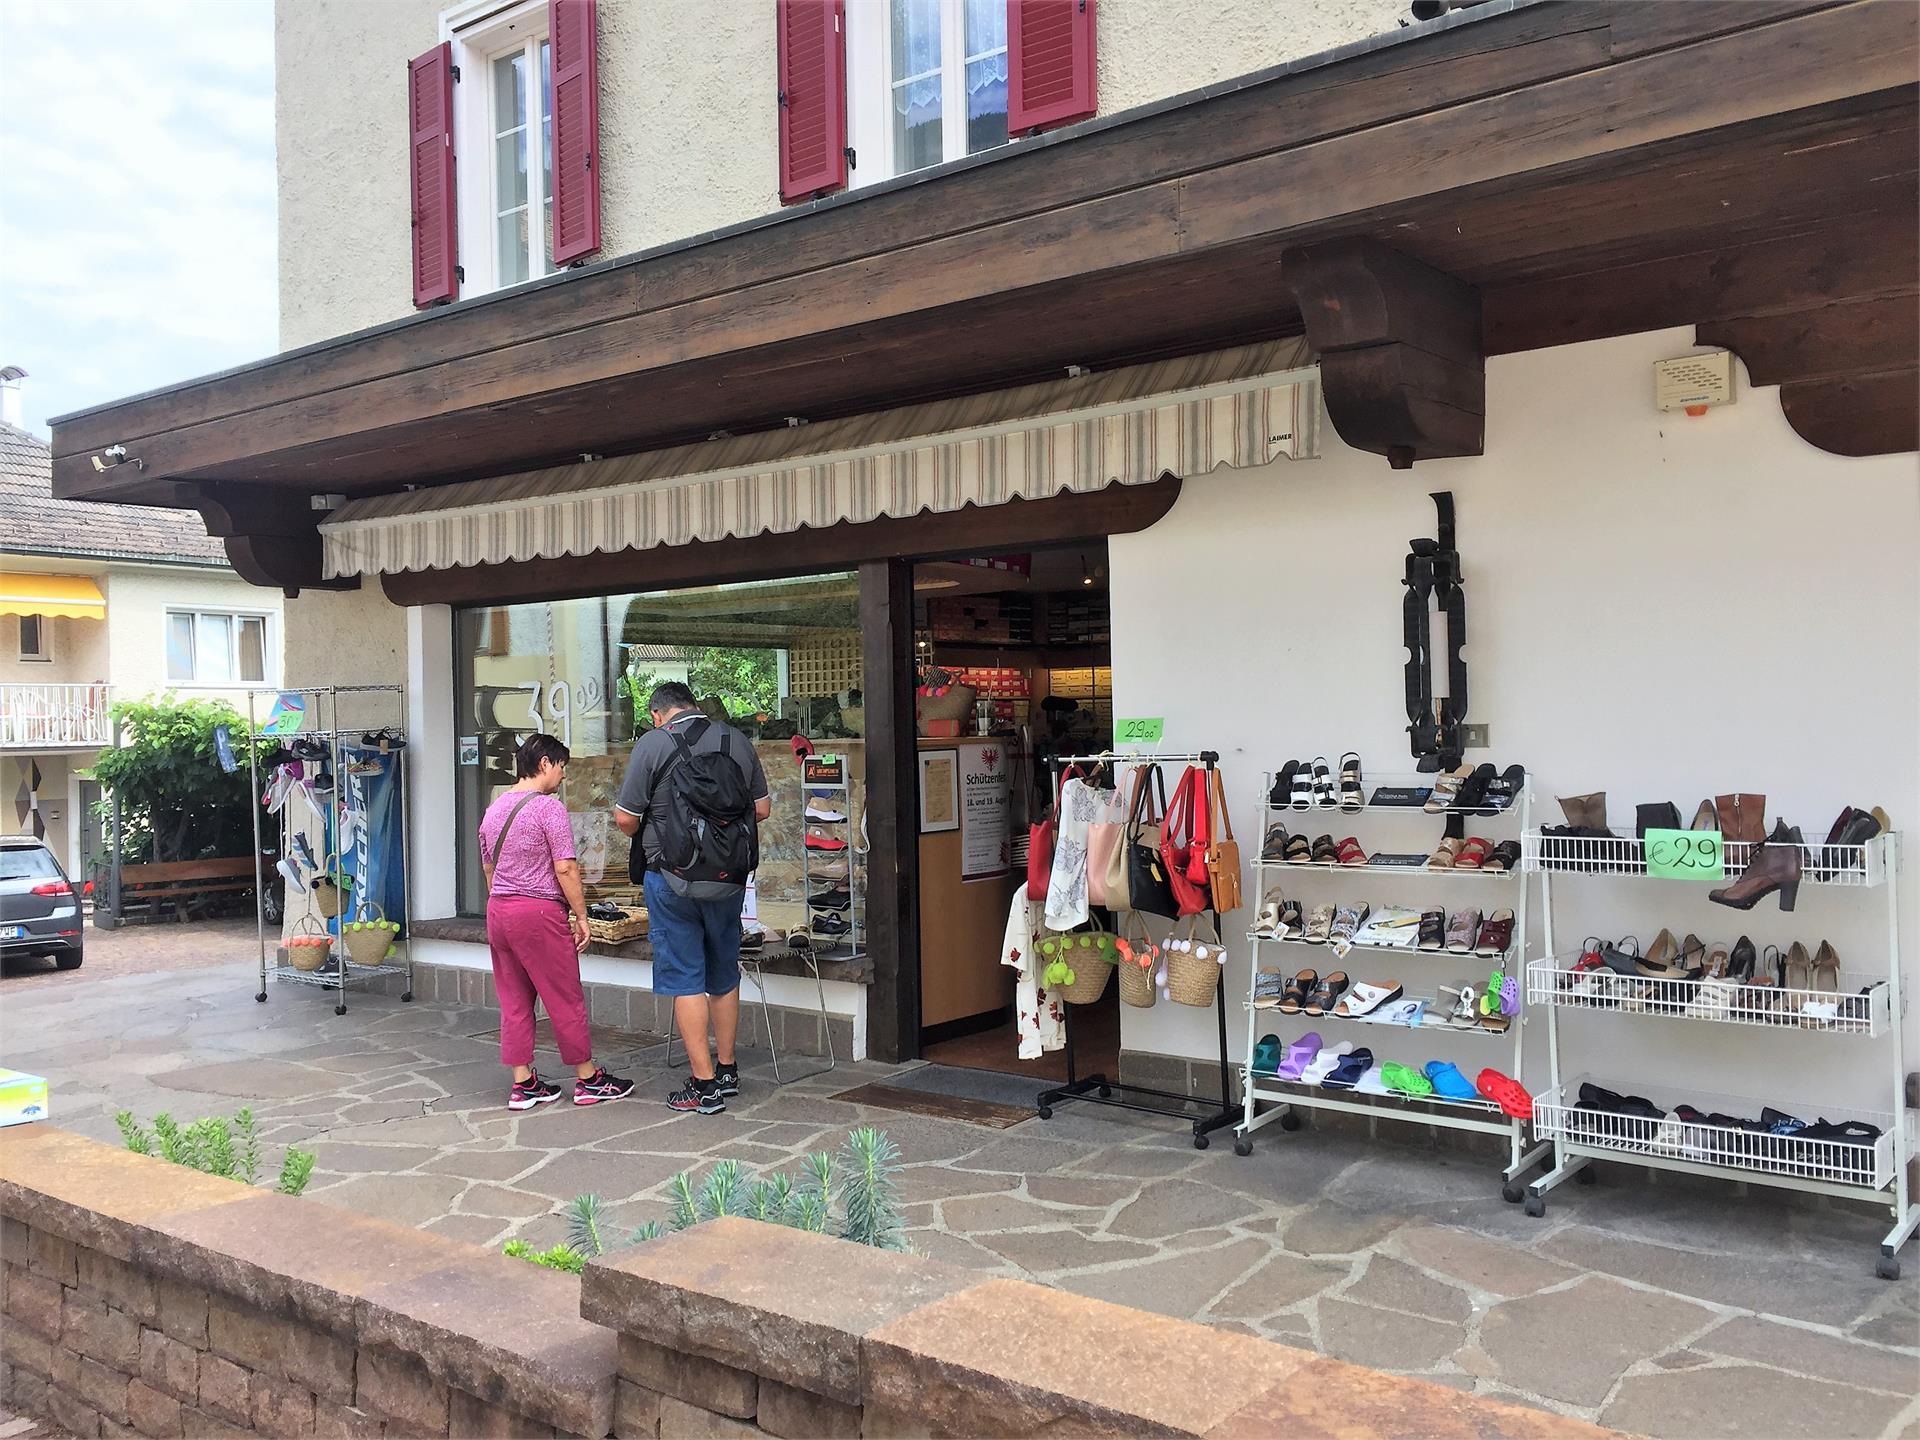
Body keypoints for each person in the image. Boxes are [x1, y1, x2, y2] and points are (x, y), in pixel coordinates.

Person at [615, 682, 770, 1113]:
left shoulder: (653, 744)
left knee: (685, 977)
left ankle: (704, 1086)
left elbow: (626, 819)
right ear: (694, 705)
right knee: (724, 973)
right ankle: (727, 1070)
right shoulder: (736, 740)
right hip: (728, 878)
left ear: (658, 714)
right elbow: (761, 809)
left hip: (671, 877)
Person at [479, 734, 634, 1110]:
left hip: (499, 910)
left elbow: (488, 868)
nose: (564, 775)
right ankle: (588, 1079)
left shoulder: (494, 809)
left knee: (514, 1000)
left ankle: (523, 1084)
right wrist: (581, 915)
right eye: (562, 766)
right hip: (538, 913)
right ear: (545, 763)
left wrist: (504, 901)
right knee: (564, 996)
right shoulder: (548, 808)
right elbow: (565, 867)